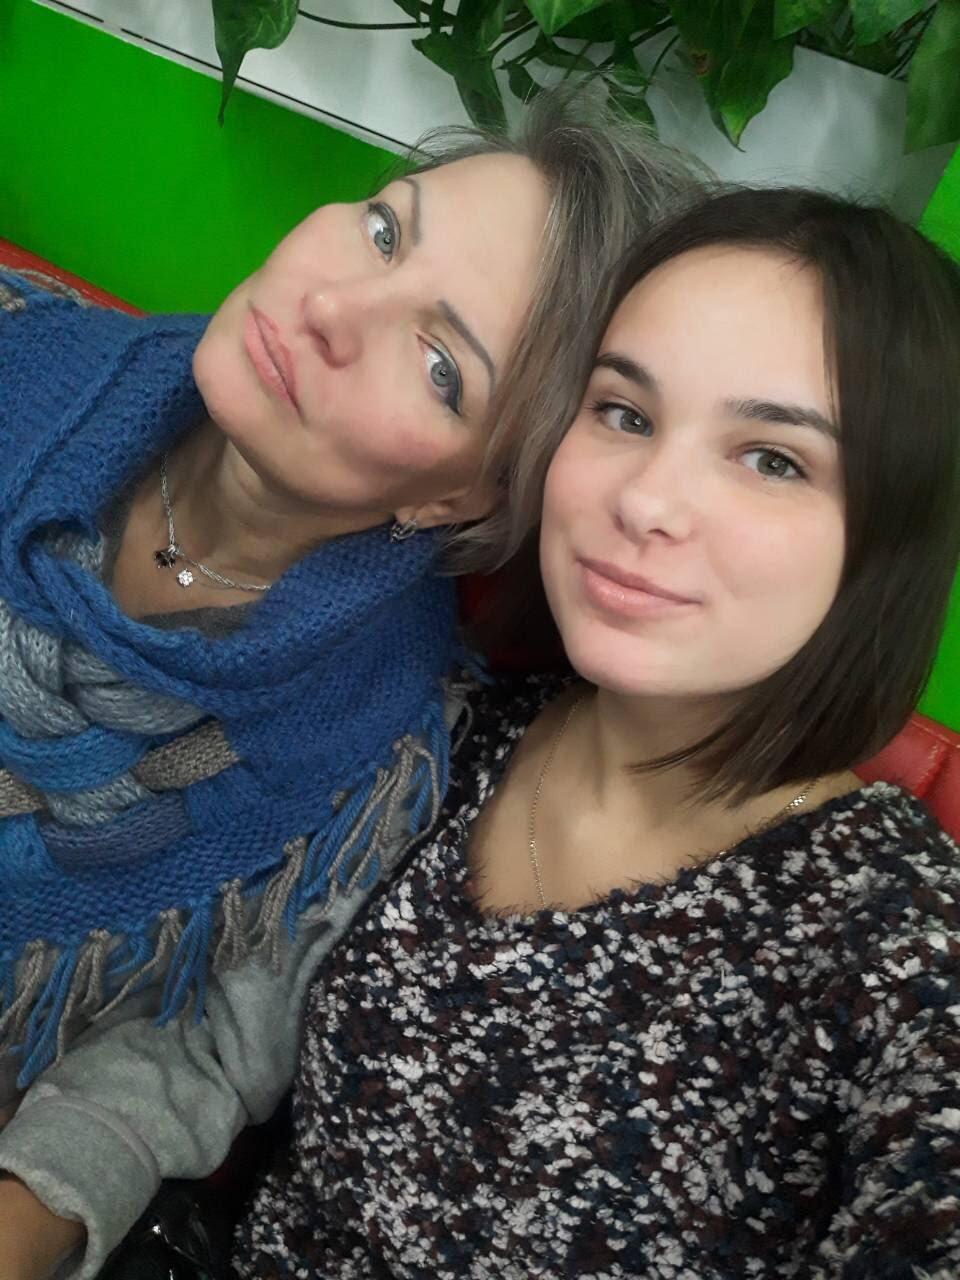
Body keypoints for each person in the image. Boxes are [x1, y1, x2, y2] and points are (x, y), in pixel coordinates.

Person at [0, 91, 698, 1279]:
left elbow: (191, 1053)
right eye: (385, 230)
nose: (329, 305)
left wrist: (30, 1216)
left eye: (439, 364)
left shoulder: (376, 759)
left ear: (458, 498)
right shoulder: (22, 355)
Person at [232, 186, 960, 1278]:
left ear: (888, 542)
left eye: (773, 458)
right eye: (624, 412)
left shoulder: (900, 949)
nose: (646, 501)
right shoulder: (446, 725)